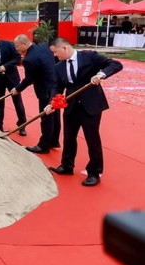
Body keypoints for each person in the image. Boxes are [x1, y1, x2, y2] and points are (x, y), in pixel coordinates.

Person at [45, 38, 123, 187]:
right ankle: (67, 165)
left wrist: (101, 75)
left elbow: (115, 64)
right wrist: (51, 104)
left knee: (92, 138)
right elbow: (57, 87)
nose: (55, 56)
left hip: (91, 104)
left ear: (65, 48)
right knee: (69, 137)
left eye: (56, 52)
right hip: (72, 105)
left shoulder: (89, 56)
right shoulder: (58, 67)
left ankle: (94, 172)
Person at [11, 34, 58, 154]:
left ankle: (44, 146)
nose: (16, 49)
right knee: (55, 116)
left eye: (17, 46)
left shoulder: (28, 59)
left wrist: (17, 89)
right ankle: (54, 141)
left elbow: (29, 79)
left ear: (24, 44)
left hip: (44, 89)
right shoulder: (44, 46)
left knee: (46, 118)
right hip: (55, 86)